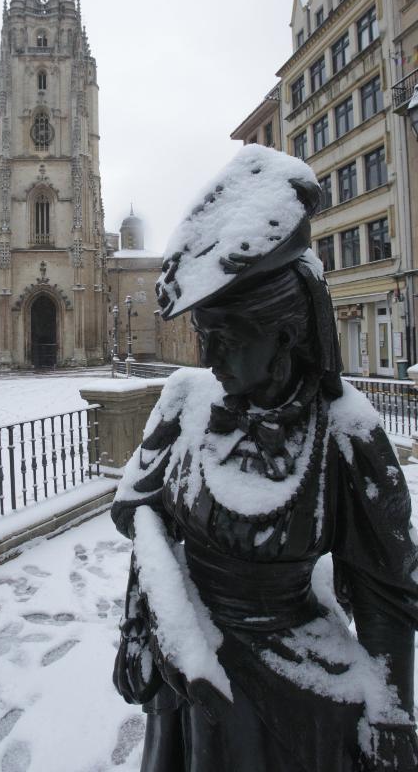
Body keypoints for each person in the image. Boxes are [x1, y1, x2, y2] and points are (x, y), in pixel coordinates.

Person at [111, 144, 418, 772]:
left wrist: (390, 712)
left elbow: (384, 594)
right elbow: (148, 527)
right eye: (205, 339)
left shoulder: (346, 436)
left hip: (299, 690)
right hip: (194, 674)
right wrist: (143, 626)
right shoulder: (185, 404)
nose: (209, 359)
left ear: (286, 335)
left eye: (226, 340)